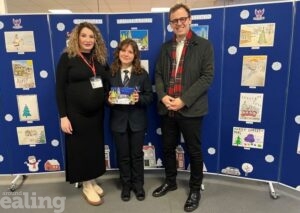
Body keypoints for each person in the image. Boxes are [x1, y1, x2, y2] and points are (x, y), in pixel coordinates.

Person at [152, 3, 214, 212]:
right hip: (167, 108)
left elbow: (207, 77)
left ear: (189, 19)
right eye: (174, 20)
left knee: (194, 151)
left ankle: (195, 189)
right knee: (168, 148)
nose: (178, 23)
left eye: (182, 19)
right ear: (170, 24)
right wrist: (163, 96)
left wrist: (183, 100)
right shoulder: (164, 48)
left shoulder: (204, 46)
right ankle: (171, 181)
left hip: (191, 109)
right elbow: (158, 75)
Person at [55, 22, 109, 206]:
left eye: (91, 36)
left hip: (96, 114)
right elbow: (59, 89)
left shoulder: (99, 59)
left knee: (94, 149)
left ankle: (92, 179)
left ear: (96, 40)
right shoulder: (67, 58)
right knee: (81, 150)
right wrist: (63, 116)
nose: (87, 40)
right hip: (76, 115)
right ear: (76, 37)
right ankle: (86, 185)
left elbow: (108, 81)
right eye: (84, 35)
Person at [108, 38, 153, 202]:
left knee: (137, 155)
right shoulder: (110, 73)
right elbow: (104, 96)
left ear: (135, 55)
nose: (126, 54)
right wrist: (109, 101)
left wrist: (139, 98)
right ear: (118, 52)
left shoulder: (142, 74)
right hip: (118, 122)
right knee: (123, 155)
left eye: (130, 51)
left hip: (137, 122)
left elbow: (150, 96)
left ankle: (138, 185)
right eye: (123, 50)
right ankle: (126, 185)